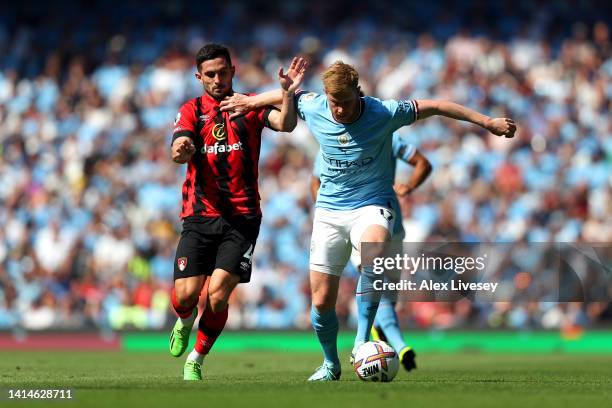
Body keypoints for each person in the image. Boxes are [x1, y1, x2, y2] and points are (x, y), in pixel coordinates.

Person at [221, 60, 516, 381]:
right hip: (329, 212)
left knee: (374, 252)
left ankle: (362, 339)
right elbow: (282, 97)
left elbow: (436, 106)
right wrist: (250, 101)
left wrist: (487, 122)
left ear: (357, 95)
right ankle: (331, 364)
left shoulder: (384, 112)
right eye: (334, 103)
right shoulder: (314, 105)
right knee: (321, 301)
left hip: (371, 204)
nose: (340, 110)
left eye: (346, 102)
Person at [169, 43, 306, 380]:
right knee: (186, 296)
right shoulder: (191, 110)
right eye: (210, 74)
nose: (217, 79)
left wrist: (286, 93)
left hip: (242, 219)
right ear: (199, 77)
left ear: (233, 71)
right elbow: (177, 149)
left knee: (217, 296)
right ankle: (185, 321)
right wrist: (182, 149)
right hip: (200, 215)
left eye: (223, 72)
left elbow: (286, 124)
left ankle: (196, 360)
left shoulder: (249, 105)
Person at [310, 133, 432, 372]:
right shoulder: (330, 142)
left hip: (389, 223)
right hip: (358, 222)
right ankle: (397, 344)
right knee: (376, 276)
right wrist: (327, 209)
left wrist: (410, 185)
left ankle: (380, 333)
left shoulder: (384, 135)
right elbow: (315, 181)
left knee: (387, 294)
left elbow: (423, 163)